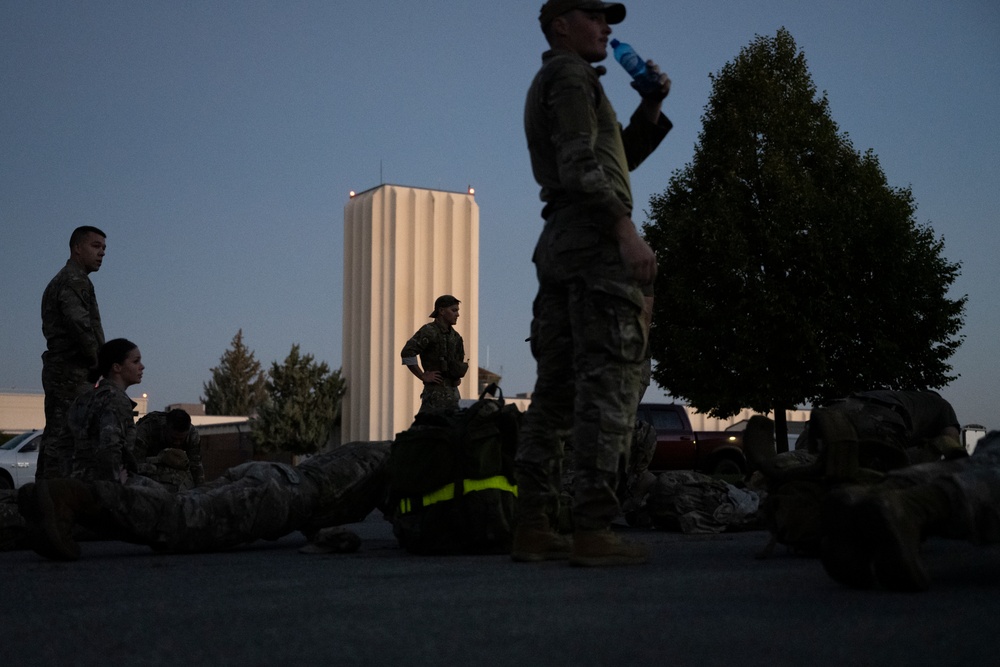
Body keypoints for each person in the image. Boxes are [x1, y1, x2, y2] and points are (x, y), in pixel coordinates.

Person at [513, 0, 672, 566]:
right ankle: (593, 530)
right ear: (561, 24)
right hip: (590, 239)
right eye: (596, 16)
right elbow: (584, 165)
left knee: (556, 391)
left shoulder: (560, 80)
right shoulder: (572, 76)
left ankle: (533, 526)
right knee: (610, 379)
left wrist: (650, 106)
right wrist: (624, 228)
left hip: (561, 237)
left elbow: (612, 161)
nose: (607, 27)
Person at [18, 440, 391, 560]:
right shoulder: (409, 459)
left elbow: (339, 485)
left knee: (178, 503)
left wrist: (322, 533)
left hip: (272, 479)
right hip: (284, 494)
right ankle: (73, 497)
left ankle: (40, 517)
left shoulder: (381, 448)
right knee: (181, 520)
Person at [822, 429, 1000, 592]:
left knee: (980, 463)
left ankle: (870, 495)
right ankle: (911, 506)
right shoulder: (940, 408)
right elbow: (949, 437)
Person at [38, 225, 108, 479]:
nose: (101, 253)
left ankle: (46, 497)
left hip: (68, 370)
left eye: (104, 248)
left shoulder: (74, 280)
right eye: (95, 246)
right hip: (70, 372)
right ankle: (52, 500)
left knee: (58, 435)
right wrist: (102, 365)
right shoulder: (73, 280)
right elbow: (81, 328)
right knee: (64, 437)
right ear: (77, 248)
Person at [68, 338, 143, 484]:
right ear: (117, 367)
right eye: (135, 362)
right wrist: (115, 487)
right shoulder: (115, 399)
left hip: (76, 482)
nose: (142, 367)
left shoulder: (85, 398)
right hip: (101, 487)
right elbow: (110, 449)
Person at [400, 295, 469, 414]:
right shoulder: (429, 331)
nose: (457, 314)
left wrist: (456, 376)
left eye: (457, 311)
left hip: (453, 396)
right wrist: (422, 375)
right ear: (441, 311)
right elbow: (407, 353)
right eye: (453, 310)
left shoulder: (456, 337)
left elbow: (458, 363)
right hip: (434, 395)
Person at [134, 409, 205, 490]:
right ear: (166, 428)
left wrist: (200, 492)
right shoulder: (146, 430)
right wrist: (158, 461)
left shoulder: (192, 436)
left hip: (178, 479)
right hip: (148, 474)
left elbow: (196, 467)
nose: (177, 443)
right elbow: (134, 465)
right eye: (173, 438)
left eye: (181, 439)